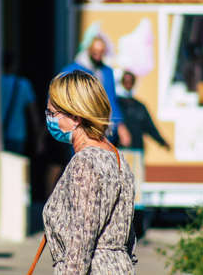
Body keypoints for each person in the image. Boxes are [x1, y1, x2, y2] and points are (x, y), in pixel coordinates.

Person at [43, 70, 137, 274]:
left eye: (52, 113)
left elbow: (80, 246)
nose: (48, 119)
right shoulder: (117, 158)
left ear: (76, 117)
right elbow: (129, 237)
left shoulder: (84, 163)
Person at [117, 71, 170, 239]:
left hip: (137, 153)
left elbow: (150, 127)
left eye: (130, 81)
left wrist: (162, 141)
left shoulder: (139, 106)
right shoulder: (116, 105)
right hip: (120, 152)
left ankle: (136, 228)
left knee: (135, 192)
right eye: (125, 81)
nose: (127, 84)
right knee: (119, 190)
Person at [61, 36, 131, 147]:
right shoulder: (73, 70)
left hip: (105, 129)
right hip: (82, 126)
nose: (98, 56)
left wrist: (120, 125)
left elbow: (111, 100)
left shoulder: (107, 72)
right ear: (89, 50)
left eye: (101, 52)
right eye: (95, 52)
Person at [1, 52, 43, 156]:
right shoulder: (23, 84)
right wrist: (38, 138)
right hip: (17, 135)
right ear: (14, 65)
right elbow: (34, 114)